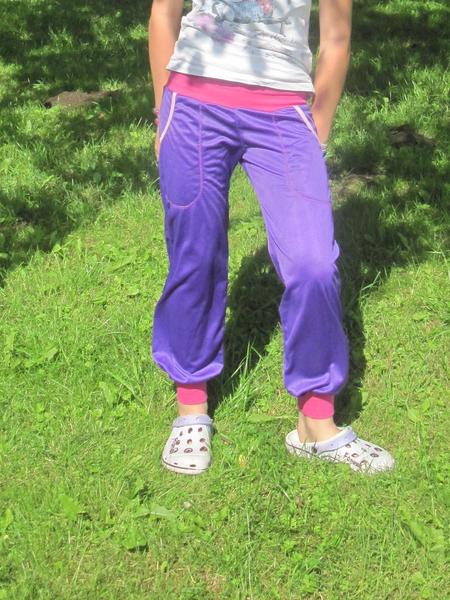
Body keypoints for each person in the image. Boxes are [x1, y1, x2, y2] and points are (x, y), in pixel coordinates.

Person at [148, 0, 395, 475]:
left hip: (283, 111)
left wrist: (318, 130)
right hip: (194, 100)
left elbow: (336, 38)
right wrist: (165, 112)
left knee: (313, 263)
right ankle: (191, 406)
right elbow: (164, 13)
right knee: (196, 253)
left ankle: (315, 423)